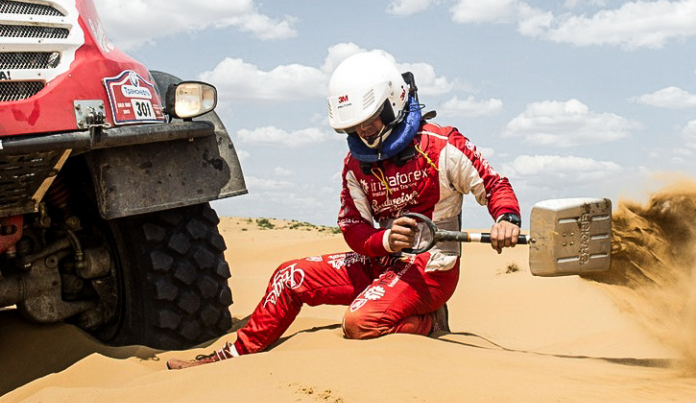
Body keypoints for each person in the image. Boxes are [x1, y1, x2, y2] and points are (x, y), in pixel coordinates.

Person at [167, 50, 522, 369]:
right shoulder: (355, 164)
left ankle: (431, 322)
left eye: (369, 122)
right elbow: (353, 226)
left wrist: (506, 218)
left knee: (359, 323)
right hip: (379, 262)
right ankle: (233, 356)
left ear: (394, 102)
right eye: (353, 128)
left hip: (431, 270)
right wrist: (384, 241)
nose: (364, 134)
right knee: (289, 276)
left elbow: (494, 185)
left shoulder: (442, 145)